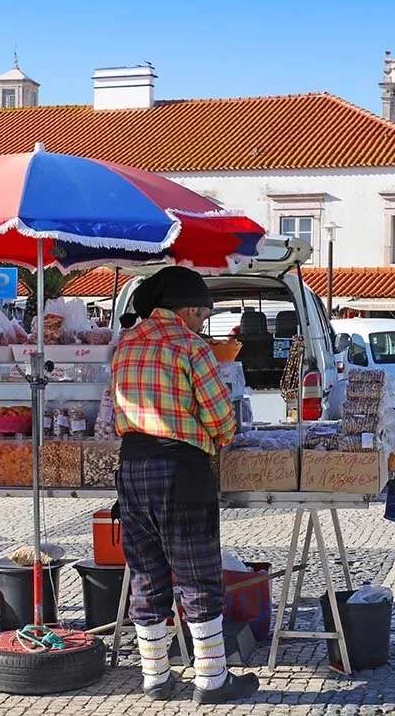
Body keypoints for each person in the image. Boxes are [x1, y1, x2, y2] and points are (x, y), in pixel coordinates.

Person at [110, 266, 260, 704]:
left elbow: (113, 408)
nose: (202, 324)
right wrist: (222, 435)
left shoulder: (125, 345)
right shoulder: (191, 347)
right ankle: (211, 681)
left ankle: (155, 678)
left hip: (133, 469)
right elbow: (219, 418)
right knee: (197, 573)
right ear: (190, 310)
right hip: (180, 470)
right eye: (203, 315)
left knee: (146, 571)